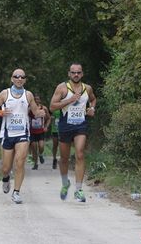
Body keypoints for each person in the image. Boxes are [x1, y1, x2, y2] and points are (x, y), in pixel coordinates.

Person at [0, 69, 45, 204]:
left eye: (22, 77)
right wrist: (1, 112)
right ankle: (6, 178)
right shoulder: (5, 93)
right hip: (7, 134)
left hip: (23, 133)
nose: (19, 79)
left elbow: (35, 112)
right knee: (5, 168)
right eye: (16, 76)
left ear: (25, 80)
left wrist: (41, 113)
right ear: (12, 79)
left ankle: (16, 192)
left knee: (20, 162)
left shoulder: (28, 95)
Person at [50, 63, 97, 202]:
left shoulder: (87, 88)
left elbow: (93, 99)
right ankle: (65, 183)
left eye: (78, 72)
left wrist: (92, 109)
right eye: (73, 72)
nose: (76, 75)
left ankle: (78, 189)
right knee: (64, 159)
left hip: (80, 125)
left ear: (82, 74)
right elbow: (52, 107)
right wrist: (69, 100)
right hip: (65, 125)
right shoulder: (62, 88)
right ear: (69, 74)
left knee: (80, 154)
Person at [29, 94, 51, 170]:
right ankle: (35, 164)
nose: (36, 101)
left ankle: (40, 154)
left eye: (38, 99)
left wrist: (46, 127)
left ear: (40, 100)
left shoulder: (44, 108)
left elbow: (49, 118)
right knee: (34, 148)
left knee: (41, 146)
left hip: (41, 131)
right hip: (32, 131)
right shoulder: (29, 109)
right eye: (35, 100)